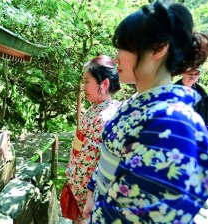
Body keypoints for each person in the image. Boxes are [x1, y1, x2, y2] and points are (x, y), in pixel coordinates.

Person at [83, 1, 208, 223]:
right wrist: (92, 192)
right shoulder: (139, 103)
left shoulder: (172, 120)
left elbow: (141, 214)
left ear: (159, 48)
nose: (117, 57)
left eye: (125, 47)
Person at [63, 55, 121, 223]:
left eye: (87, 81)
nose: (83, 87)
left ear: (104, 83)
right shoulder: (96, 109)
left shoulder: (104, 118)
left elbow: (95, 164)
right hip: (78, 190)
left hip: (87, 198)